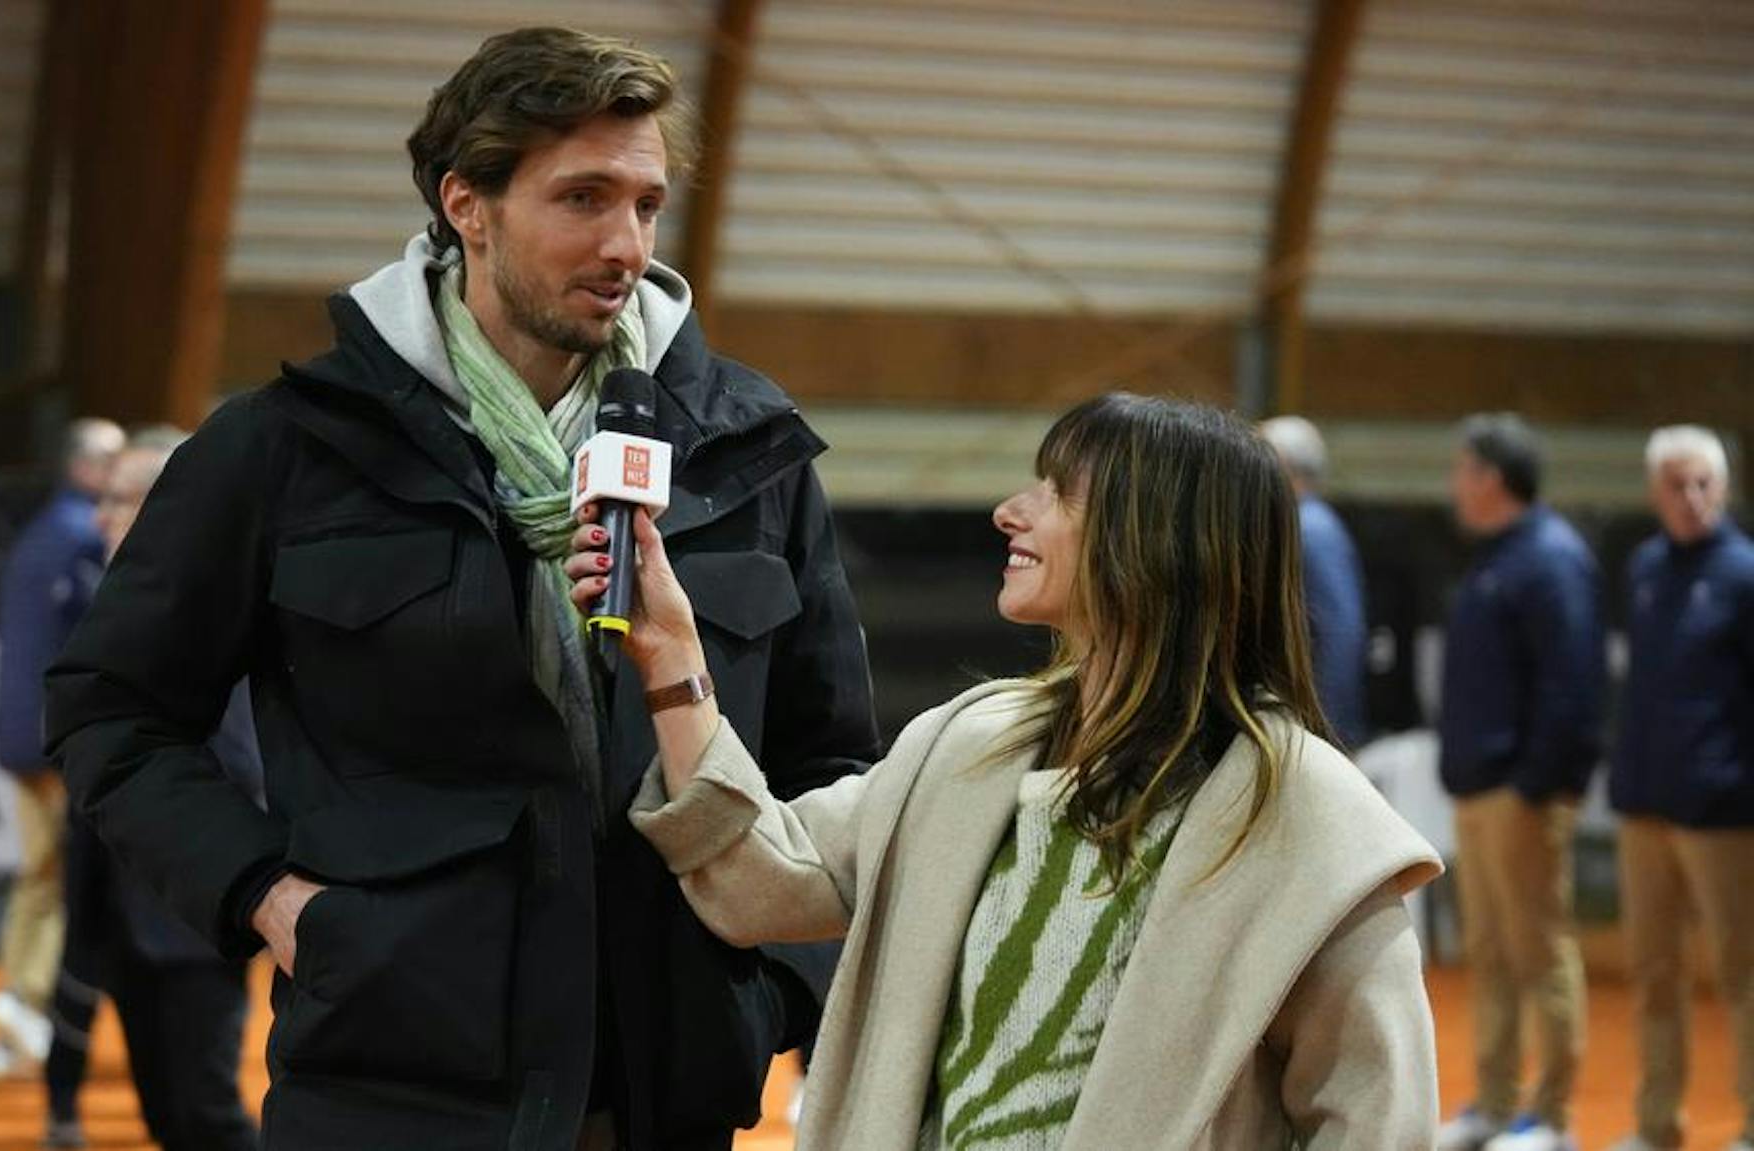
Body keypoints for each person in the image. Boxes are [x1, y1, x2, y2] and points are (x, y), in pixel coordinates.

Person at [43, 26, 879, 1150]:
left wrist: (774, 978)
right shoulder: (290, 447)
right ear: (465, 205)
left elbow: (829, 764)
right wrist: (272, 900)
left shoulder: (742, 445)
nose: (623, 242)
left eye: (644, 202)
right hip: (394, 1084)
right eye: (580, 197)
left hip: (664, 1087)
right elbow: (112, 707)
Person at [568, 392, 1443, 1148]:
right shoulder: (970, 744)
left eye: (1058, 491)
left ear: (1154, 540)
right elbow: (762, 879)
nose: (1009, 511)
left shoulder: (1307, 817)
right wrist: (672, 657)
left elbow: (1374, 1118)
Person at [43, 427, 261, 1151]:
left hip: (194, 918)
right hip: (122, 912)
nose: (101, 516)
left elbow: (240, 766)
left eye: (119, 499)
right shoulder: (115, 603)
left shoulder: (216, 602)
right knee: (170, 1117)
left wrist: (233, 889)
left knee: (207, 1116)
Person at [1436, 413, 1605, 1151]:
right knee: (1494, 955)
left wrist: (1537, 784)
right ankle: (1497, 1105)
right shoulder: (1498, 557)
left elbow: (1574, 685)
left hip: (1521, 793)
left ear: (1491, 479)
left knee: (1540, 952)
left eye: (1460, 470)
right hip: (1480, 789)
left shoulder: (1551, 558)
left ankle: (1555, 1117)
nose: (1453, 486)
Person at [1606, 426, 1754, 1151]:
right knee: (1653, 973)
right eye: (1677, 483)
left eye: (1704, 483)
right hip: (1644, 806)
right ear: (1654, 489)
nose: (1692, 497)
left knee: (1743, 970)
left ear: (1723, 488)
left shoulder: (1745, 573)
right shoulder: (1644, 568)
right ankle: (1657, 1123)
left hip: (1722, 813)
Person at [0, 417, 124, 1081]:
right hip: (60, 740)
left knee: (40, 876)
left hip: (21, 732)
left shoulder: (37, 533)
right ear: (89, 468)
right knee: (64, 880)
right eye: (115, 464)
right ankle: (31, 1008)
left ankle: (20, 1012)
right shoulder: (82, 537)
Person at [1261, 415, 1368, 747]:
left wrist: (1328, 732)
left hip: (1317, 730)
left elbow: (1341, 632)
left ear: (1282, 466)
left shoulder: (1310, 530)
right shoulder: (1304, 525)